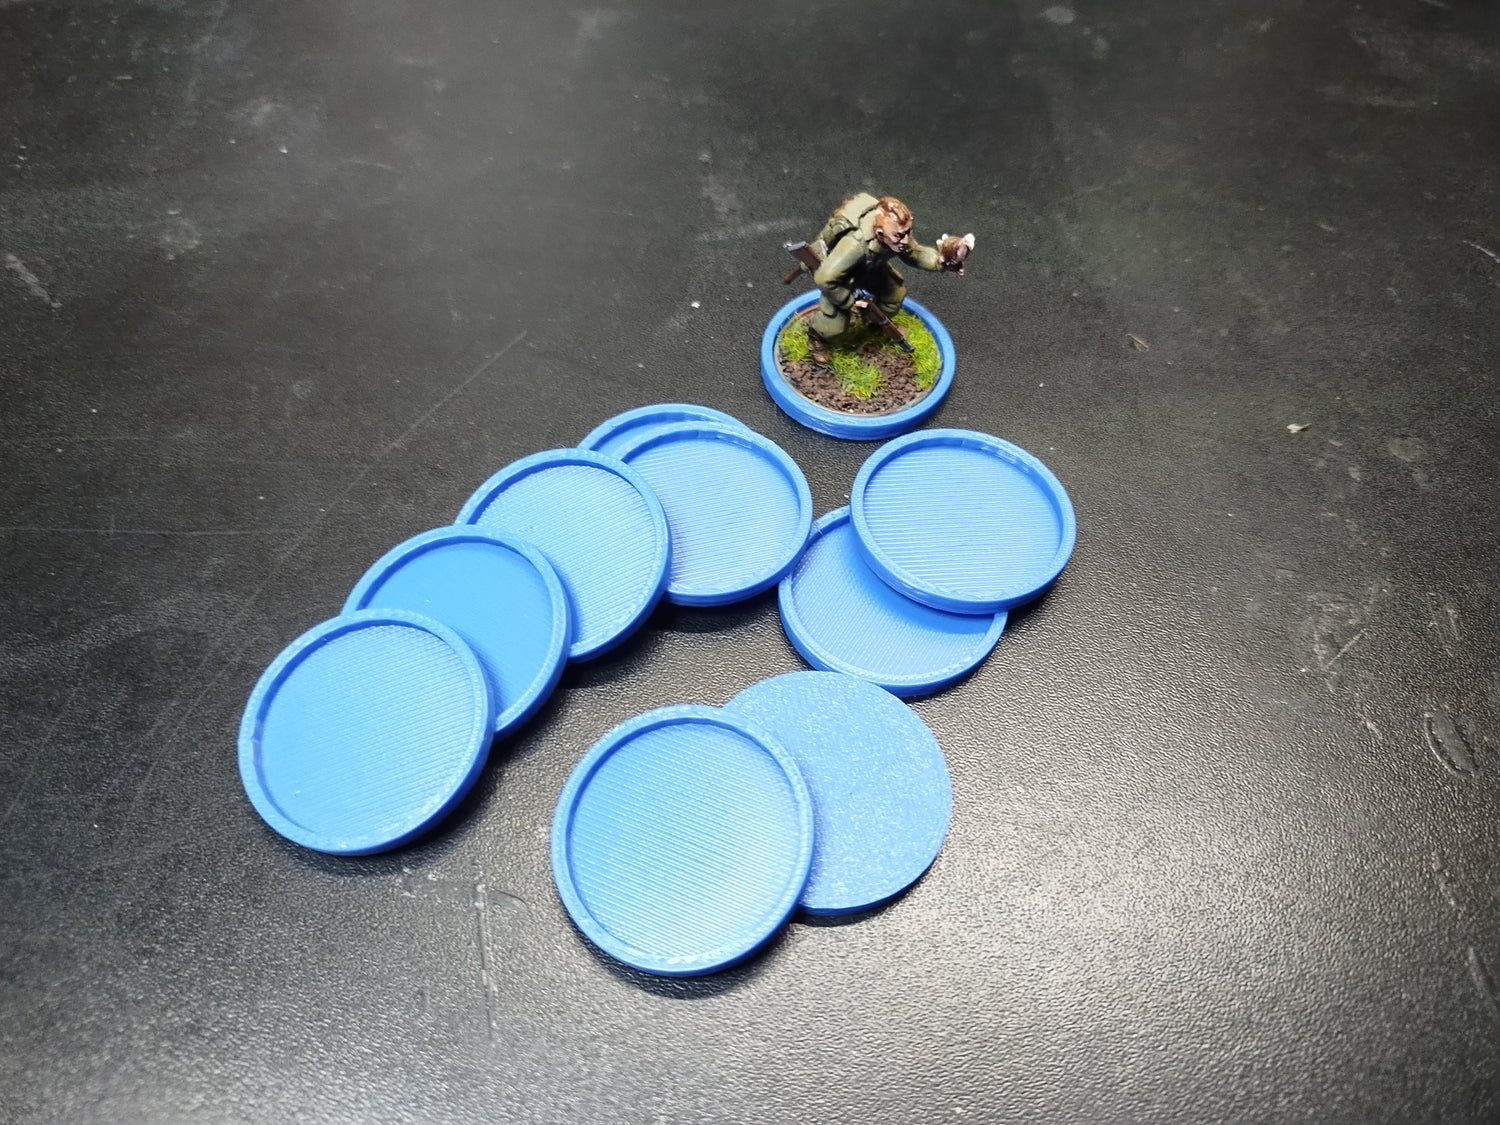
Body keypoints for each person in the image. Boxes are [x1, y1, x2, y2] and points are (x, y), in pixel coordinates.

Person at [805, 193, 974, 350]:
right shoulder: (855, 245)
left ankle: (873, 325)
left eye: (907, 232)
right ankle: (816, 337)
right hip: (840, 278)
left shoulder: (897, 235)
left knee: (894, 296)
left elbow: (914, 254)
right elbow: (824, 278)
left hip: (869, 267)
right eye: (899, 236)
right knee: (834, 325)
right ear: (880, 233)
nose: (905, 240)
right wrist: (850, 302)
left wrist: (940, 262)